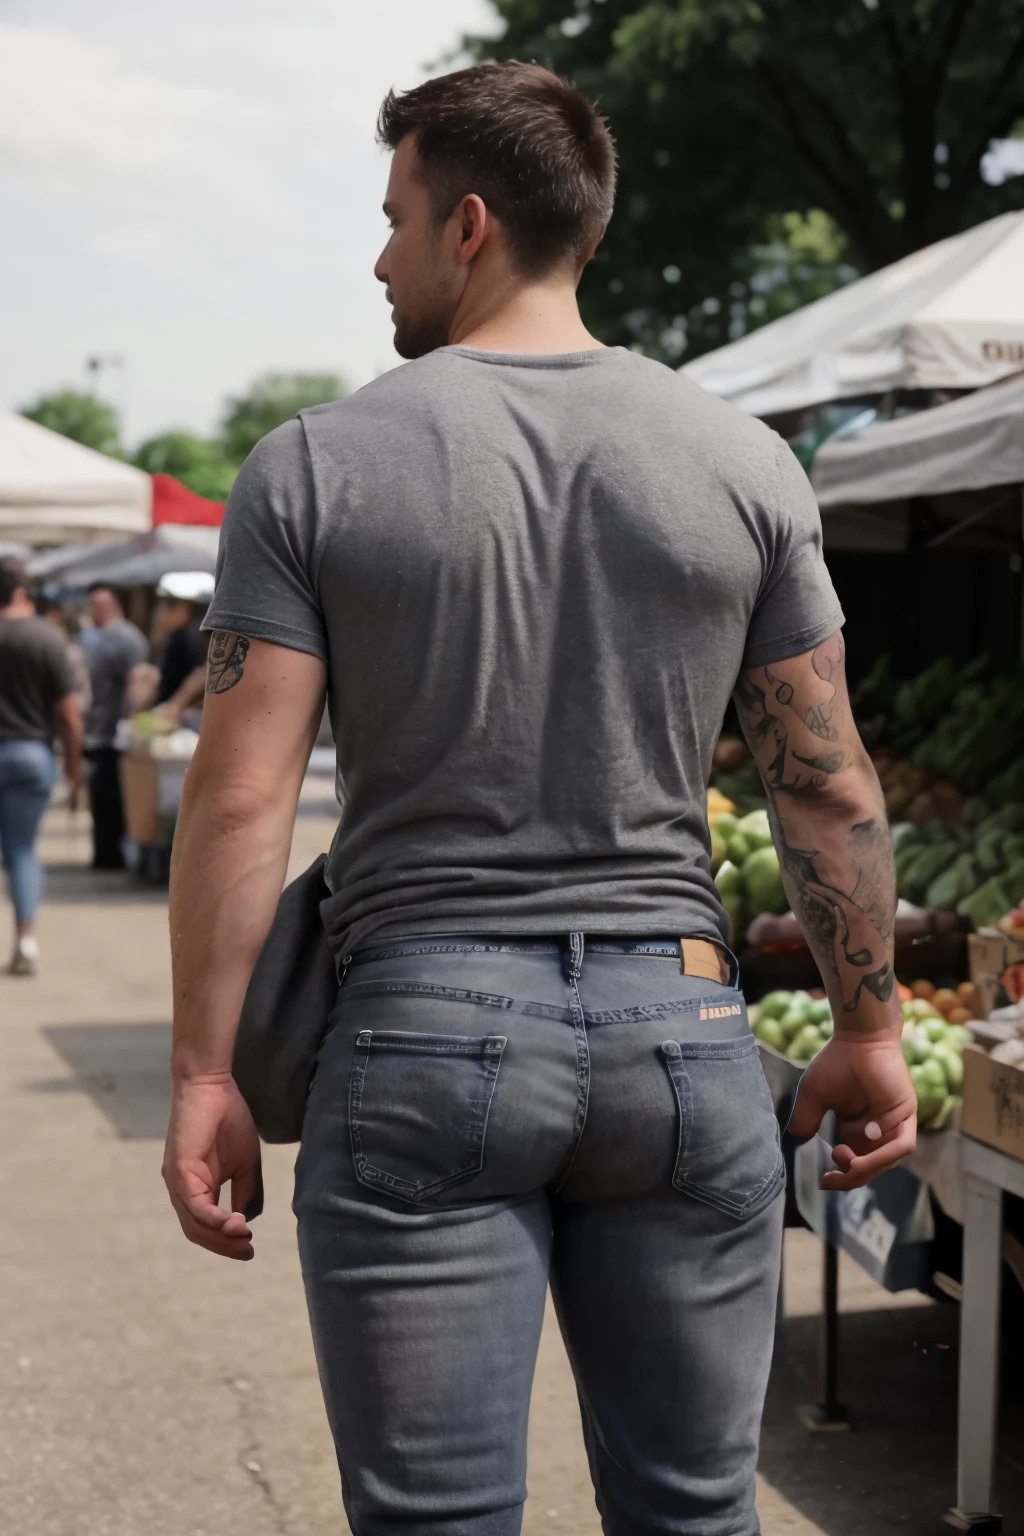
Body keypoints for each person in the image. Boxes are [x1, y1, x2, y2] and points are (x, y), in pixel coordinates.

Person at [162, 63, 917, 1536]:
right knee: (698, 1512)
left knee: (436, 1521)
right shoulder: (744, 465)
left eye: (394, 218)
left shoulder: (317, 466)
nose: (377, 255)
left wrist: (203, 1071)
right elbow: (826, 789)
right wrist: (871, 1029)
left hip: (422, 1037)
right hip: (686, 1042)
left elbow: (240, 802)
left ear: (472, 226)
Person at [0, 559, 83, 974]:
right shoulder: (46, 638)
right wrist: (74, 767)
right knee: (21, 851)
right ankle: (26, 941)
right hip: (30, 755)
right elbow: (68, 715)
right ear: (21, 592)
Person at [79, 585, 148, 869]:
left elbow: (139, 681)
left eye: (93, 606)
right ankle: (105, 855)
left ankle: (112, 856)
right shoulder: (106, 638)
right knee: (102, 800)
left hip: (114, 737)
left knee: (111, 800)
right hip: (101, 735)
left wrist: (131, 722)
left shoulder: (126, 638)